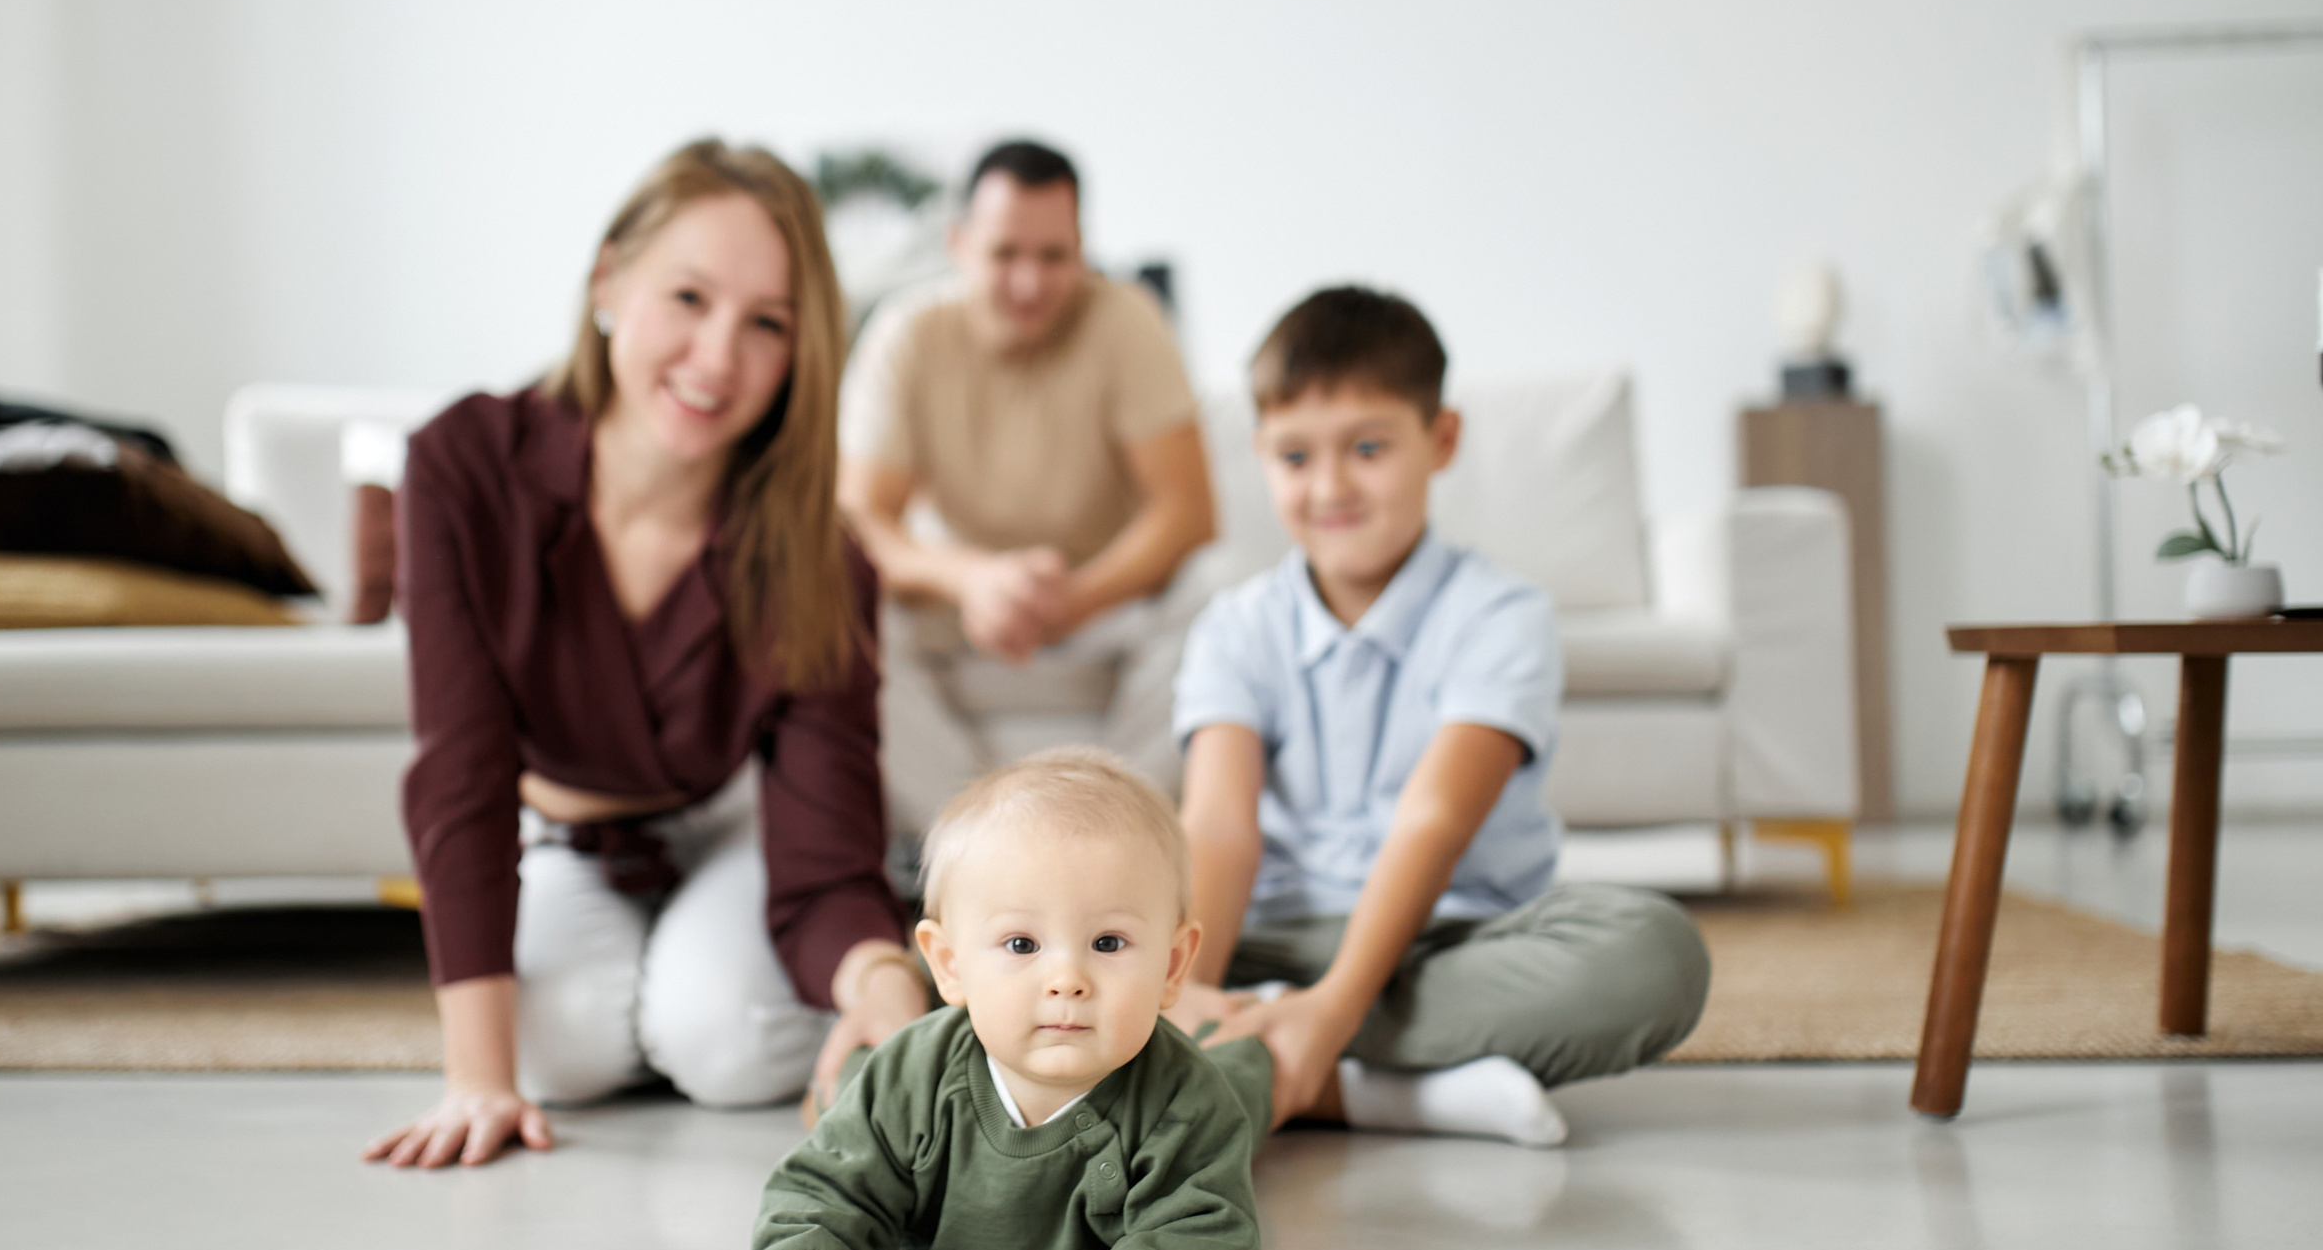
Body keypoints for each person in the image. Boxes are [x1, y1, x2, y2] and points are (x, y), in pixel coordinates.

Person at [366, 139, 927, 1171]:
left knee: (720, 1042)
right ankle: (648, 982)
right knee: (554, 1056)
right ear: (608, 280)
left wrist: (896, 1009)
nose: (717, 358)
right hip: (569, 834)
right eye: (689, 298)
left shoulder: (820, 557)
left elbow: (824, 850)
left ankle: (699, 978)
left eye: (767, 325)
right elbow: (461, 773)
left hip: (731, 827)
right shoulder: (461, 466)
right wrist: (477, 1081)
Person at [1168, 288, 1711, 1146]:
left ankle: (1251, 1052)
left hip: (1446, 940)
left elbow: (1435, 820)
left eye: (1369, 447)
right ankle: (1376, 1091)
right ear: (1261, 456)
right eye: (1295, 456)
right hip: (1265, 943)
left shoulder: (1502, 615)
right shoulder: (1236, 626)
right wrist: (1187, 985)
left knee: (1655, 953)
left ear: (1442, 439)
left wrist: (1338, 1007)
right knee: (1012, 964)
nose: (1331, 485)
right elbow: (1220, 828)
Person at [714, 749, 1271, 1250]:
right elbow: (825, 1189)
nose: (1067, 980)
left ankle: (1255, 1039)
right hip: (897, 1092)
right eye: (1022, 945)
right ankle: (834, 1089)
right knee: (857, 1104)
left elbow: (1203, 1230)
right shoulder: (913, 1077)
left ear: (1173, 966)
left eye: (1108, 944)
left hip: (1215, 1088)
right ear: (948, 965)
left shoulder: (1188, 1102)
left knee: (1247, 1083)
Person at [839, 140, 1217, 831]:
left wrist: (1076, 598)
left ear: (1082, 250)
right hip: (958, 609)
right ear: (959, 244)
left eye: (1054, 256)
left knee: (1217, 594)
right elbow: (863, 522)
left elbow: (1188, 513)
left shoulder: (1127, 319)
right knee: (834, 599)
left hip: (1100, 604)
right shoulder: (908, 335)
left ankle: (1115, 832)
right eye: (1006, 254)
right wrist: (974, 579)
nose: (1030, 282)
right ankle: (976, 837)